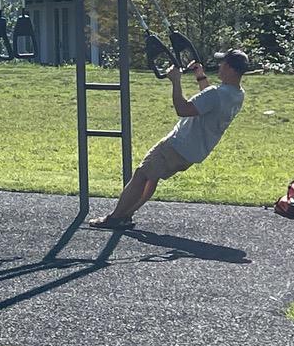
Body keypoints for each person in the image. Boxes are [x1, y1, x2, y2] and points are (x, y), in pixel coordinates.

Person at [94, 47, 253, 229]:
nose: (219, 66)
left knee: (141, 174)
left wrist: (176, 81)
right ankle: (126, 215)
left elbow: (183, 109)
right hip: (193, 152)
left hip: (177, 145)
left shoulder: (216, 94)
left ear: (231, 69)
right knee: (151, 177)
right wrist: (200, 76)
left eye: (223, 63)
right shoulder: (237, 94)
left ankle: (115, 218)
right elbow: (208, 103)